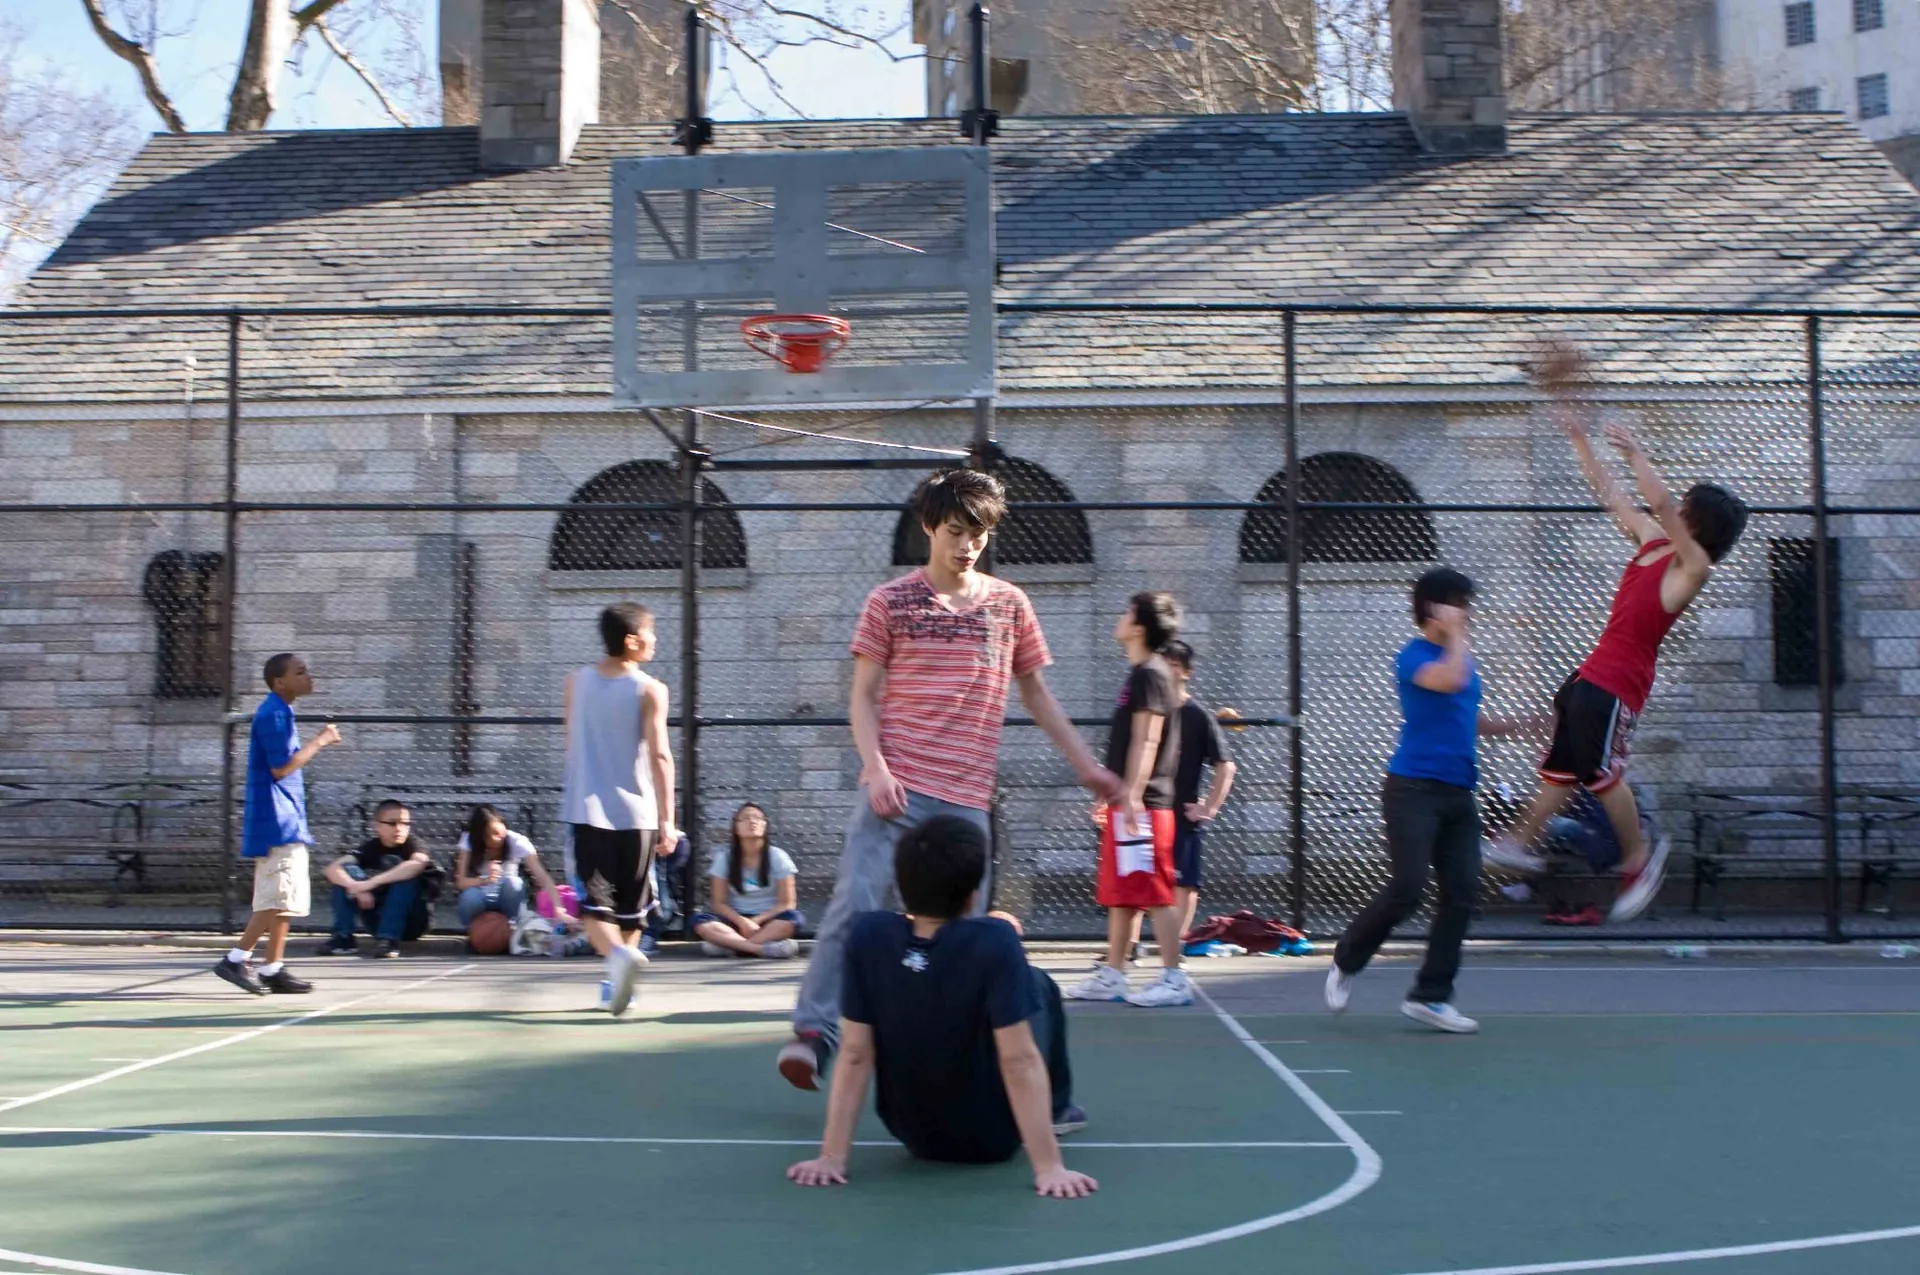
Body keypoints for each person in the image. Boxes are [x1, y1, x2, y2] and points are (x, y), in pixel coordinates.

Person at [777, 468, 1124, 1090]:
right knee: (854, 908)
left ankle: (981, 1069)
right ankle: (813, 1034)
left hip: (966, 802)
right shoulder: (891, 601)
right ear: (930, 528)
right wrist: (876, 769)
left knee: (966, 941)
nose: (968, 545)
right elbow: (862, 698)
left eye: (980, 534)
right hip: (897, 792)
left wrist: (1088, 767)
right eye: (958, 531)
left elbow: (1037, 693)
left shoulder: (1010, 605)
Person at [1483, 340, 1750, 922]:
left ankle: (1638, 856)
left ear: (1696, 522)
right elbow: (1612, 497)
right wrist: (1580, 437)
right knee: (1561, 767)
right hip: (1593, 674)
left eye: (1682, 506)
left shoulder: (1692, 568)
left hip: (1620, 682)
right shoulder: (1654, 545)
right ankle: (1519, 845)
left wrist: (1636, 452)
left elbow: (1654, 497)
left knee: (1601, 774)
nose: (1670, 507)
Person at [786, 816, 1095, 1199]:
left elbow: (853, 1054)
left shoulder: (869, 935)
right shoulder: (995, 941)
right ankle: (1057, 1109)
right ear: (973, 893)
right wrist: (1050, 1167)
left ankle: (1050, 1108)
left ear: (900, 886)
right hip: (993, 1139)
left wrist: (831, 1156)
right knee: (1037, 982)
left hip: (913, 1133)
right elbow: (1019, 1060)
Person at [1325, 569, 1536, 1033]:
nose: (1468, 613)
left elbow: (1464, 718)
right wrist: (1456, 635)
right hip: (1412, 790)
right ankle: (1346, 960)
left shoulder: (1460, 659)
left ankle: (1430, 996)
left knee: (1462, 893)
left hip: (1459, 792)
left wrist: (1525, 725)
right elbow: (1449, 681)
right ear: (1435, 609)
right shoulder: (1413, 656)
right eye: (1460, 603)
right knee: (1409, 886)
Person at [1066, 592, 1191, 1009]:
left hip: (1148, 804)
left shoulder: (1151, 674)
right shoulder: (1140, 673)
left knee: (1156, 891)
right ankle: (1114, 976)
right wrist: (1119, 797)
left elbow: (1148, 737)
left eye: (1126, 613)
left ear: (1139, 626)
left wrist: (1134, 797)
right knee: (1123, 893)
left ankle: (1174, 978)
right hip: (1131, 803)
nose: (1119, 618)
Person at [561, 603, 678, 1016]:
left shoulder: (576, 682)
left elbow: (571, 741)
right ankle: (616, 983)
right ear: (632, 641)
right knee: (631, 911)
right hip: (639, 818)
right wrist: (668, 819)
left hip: (588, 812)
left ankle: (617, 964)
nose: (655, 640)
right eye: (651, 632)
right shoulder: (651, 689)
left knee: (595, 908)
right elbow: (661, 756)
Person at [214, 652, 341, 995]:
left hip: (289, 820)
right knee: (273, 899)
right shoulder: (273, 715)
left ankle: (272, 967)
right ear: (280, 682)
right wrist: (321, 741)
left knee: (286, 899)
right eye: (300, 672)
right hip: (276, 822)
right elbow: (281, 768)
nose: (308, 676)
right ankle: (236, 958)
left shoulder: (283, 711)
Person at [1164, 639, 1238, 954]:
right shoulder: (1144, 713)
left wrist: (1209, 807)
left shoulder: (1198, 716)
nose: (1166, 673)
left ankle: (1173, 947)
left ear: (1187, 672)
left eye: (1174, 667)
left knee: (1184, 882)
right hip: (1143, 813)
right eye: (1161, 665)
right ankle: (1129, 946)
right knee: (1137, 881)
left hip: (1181, 816)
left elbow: (1226, 766)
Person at [318, 799, 434, 958]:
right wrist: (356, 887)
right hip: (376, 920)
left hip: (412, 921)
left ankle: (389, 940)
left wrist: (370, 884)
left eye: (405, 823)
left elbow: (417, 864)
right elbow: (332, 869)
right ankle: (343, 938)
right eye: (392, 823)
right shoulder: (370, 847)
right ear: (377, 826)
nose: (399, 829)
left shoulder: (414, 845)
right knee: (346, 872)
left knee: (405, 877)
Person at [692, 802, 802, 959]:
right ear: (735, 827)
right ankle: (761, 949)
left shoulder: (778, 857)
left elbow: (787, 903)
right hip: (734, 920)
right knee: (700, 920)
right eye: (745, 818)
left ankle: (731, 946)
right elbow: (718, 903)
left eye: (758, 818)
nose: (753, 821)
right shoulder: (724, 858)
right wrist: (742, 922)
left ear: (765, 825)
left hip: (768, 922)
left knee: (793, 919)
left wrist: (756, 921)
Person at [454, 803, 578, 933]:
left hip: (507, 899)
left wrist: (560, 910)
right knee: (470, 896)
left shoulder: (517, 842)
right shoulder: (468, 840)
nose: (498, 838)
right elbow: (461, 882)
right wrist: (485, 880)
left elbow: (543, 878)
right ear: (480, 837)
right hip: (481, 898)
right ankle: (473, 933)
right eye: (490, 835)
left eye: (499, 832)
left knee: (514, 883)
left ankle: (513, 928)